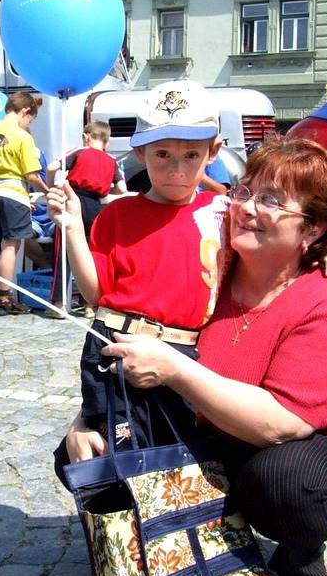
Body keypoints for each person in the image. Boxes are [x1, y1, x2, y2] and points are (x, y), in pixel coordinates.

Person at [57, 135, 327, 576]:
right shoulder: (210, 269)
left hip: (295, 445)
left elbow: (283, 424)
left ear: (313, 229)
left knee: (286, 478)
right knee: (83, 454)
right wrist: (87, 416)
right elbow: (118, 326)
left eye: (270, 201)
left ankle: (303, 574)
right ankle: (167, 546)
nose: (243, 207)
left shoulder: (325, 301)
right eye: (244, 191)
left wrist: (177, 371)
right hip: (202, 432)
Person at [47, 80, 228, 447]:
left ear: (213, 152)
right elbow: (95, 293)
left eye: (191, 155)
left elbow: (271, 253)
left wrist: (314, 257)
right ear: (141, 153)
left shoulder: (223, 213)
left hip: (186, 354)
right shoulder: (117, 215)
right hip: (116, 343)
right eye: (162, 154)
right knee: (112, 456)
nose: (176, 169)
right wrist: (73, 229)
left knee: (183, 456)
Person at [45, 120, 127, 320]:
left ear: (86, 136)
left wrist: (50, 189)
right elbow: (122, 189)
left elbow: (51, 167)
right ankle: (89, 305)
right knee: (90, 255)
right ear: (106, 142)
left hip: (74, 201)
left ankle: (58, 304)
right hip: (96, 207)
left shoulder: (80, 151)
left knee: (63, 253)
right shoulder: (111, 161)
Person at [0, 91, 49, 315]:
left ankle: (0, 293)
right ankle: (3, 296)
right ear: (25, 112)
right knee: (11, 248)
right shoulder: (22, 137)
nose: (29, 122)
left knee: (4, 245)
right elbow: (31, 175)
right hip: (13, 193)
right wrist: (48, 191)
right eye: (30, 118)